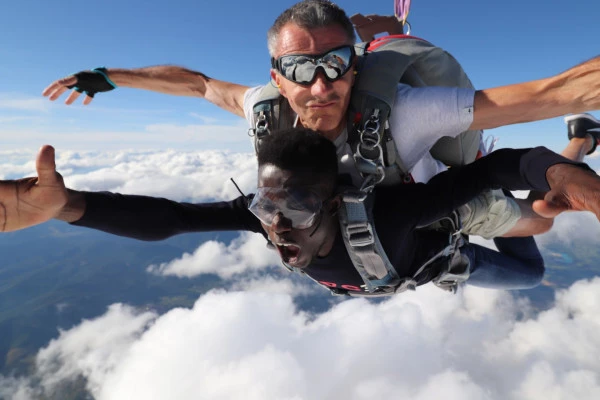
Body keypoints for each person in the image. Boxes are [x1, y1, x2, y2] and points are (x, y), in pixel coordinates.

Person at [41, 0, 600, 242]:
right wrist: (111, 75)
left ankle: (577, 145)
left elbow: (547, 93)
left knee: (539, 226)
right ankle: (580, 144)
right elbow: (199, 84)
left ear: (356, 71)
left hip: (446, 201)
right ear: (276, 76)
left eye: (335, 65)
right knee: (537, 233)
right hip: (393, 220)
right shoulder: (264, 104)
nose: (320, 85)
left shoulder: (407, 114)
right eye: (300, 68)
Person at [2, 128, 599, 295]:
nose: (276, 223)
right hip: (397, 272)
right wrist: (72, 208)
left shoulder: (390, 212)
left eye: (295, 204)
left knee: (534, 255)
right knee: (540, 212)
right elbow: (173, 218)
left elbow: (492, 168)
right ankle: (567, 166)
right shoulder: (267, 216)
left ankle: (577, 148)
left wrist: (562, 172)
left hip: (447, 252)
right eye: (265, 202)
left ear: (336, 202)